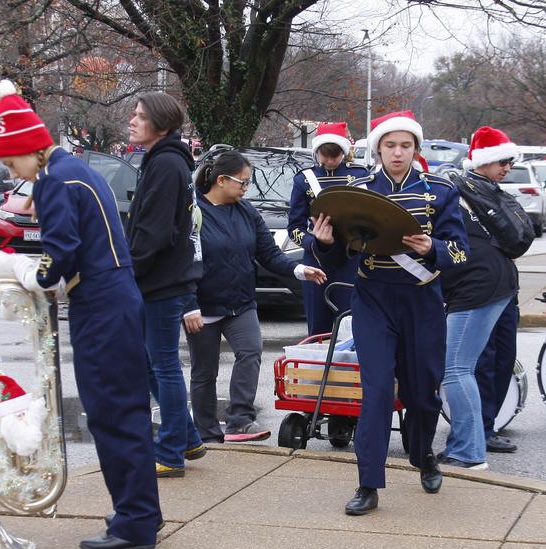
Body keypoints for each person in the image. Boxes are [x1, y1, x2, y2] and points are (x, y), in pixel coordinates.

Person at [0, 80, 163, 549]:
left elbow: (55, 261)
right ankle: (137, 510)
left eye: (10, 160)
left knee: (112, 415)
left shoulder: (54, 179)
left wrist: (10, 264)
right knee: (124, 411)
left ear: (28, 150)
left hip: (101, 303)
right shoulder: (74, 170)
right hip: (112, 296)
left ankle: (135, 522)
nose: (10, 170)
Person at [309, 110, 470, 515]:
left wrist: (431, 248)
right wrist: (326, 243)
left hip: (422, 300)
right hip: (374, 300)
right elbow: (334, 251)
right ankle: (368, 483)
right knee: (377, 391)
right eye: (390, 145)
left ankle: (423, 455)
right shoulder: (357, 189)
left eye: (405, 145)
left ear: (416, 149)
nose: (398, 153)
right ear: (378, 149)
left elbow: (461, 250)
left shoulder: (441, 191)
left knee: (421, 392)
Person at [186, 151, 326, 444]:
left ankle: (240, 421)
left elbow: (270, 255)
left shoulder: (247, 211)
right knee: (205, 370)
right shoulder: (193, 212)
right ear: (221, 180)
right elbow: (183, 262)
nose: (245, 188)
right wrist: (188, 305)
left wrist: (300, 269)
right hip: (204, 306)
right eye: (243, 182)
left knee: (250, 352)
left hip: (240, 302)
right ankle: (206, 431)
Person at [125, 92, 206, 478]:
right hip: (160, 280)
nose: (132, 120)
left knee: (163, 364)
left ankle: (171, 451)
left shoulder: (166, 165)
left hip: (160, 282)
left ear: (160, 123)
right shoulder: (163, 161)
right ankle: (187, 437)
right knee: (148, 364)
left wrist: (127, 271)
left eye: (140, 116)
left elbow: (152, 232)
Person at [440, 126, 523, 469]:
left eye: (509, 162)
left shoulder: (457, 190)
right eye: (501, 161)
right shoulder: (480, 193)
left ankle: (469, 452)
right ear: (482, 161)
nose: (506, 167)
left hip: (479, 285)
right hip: (498, 282)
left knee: (456, 369)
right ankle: (468, 443)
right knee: (465, 368)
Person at [287, 121, 366, 335]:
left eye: (335, 155)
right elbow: (294, 226)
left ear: (344, 152)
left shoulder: (361, 175)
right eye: (325, 155)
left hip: (350, 260)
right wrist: (316, 242)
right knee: (317, 328)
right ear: (317, 152)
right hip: (317, 261)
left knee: (350, 326)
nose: (330, 160)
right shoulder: (304, 179)